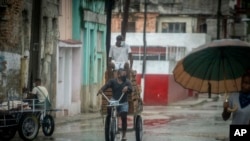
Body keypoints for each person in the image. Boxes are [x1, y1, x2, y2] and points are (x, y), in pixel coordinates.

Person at [98, 69, 133, 140]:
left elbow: (131, 89)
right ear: (118, 75)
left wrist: (127, 88)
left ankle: (124, 135)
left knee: (124, 117)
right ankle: (110, 121)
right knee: (109, 107)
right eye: (123, 74)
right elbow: (106, 85)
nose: (124, 76)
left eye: (125, 74)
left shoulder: (127, 82)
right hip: (114, 100)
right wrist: (101, 90)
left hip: (123, 102)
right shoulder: (112, 81)